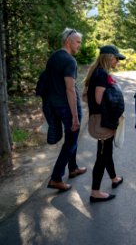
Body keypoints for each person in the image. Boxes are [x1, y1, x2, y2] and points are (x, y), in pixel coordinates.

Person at [46, 28, 87, 192]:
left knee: (72, 139)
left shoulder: (54, 57)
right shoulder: (70, 61)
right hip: (68, 107)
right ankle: (56, 178)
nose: (80, 45)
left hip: (55, 105)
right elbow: (70, 89)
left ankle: (73, 167)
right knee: (70, 142)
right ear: (68, 41)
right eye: (78, 42)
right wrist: (75, 116)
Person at [84, 45, 125, 203]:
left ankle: (114, 178)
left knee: (106, 151)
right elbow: (100, 99)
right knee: (102, 155)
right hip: (102, 121)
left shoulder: (98, 72)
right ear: (108, 57)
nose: (118, 62)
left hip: (102, 119)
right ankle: (95, 192)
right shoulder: (101, 74)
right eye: (116, 58)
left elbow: (86, 97)